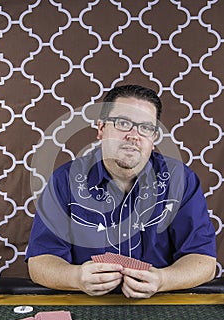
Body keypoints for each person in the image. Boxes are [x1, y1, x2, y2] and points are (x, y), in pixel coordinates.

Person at [26, 85, 216, 298]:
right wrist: (76, 277)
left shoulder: (181, 180)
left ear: (153, 139)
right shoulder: (63, 181)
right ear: (101, 129)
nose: (134, 136)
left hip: (160, 305)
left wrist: (163, 280)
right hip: (85, 306)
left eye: (145, 127)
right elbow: (40, 262)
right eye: (123, 123)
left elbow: (204, 261)